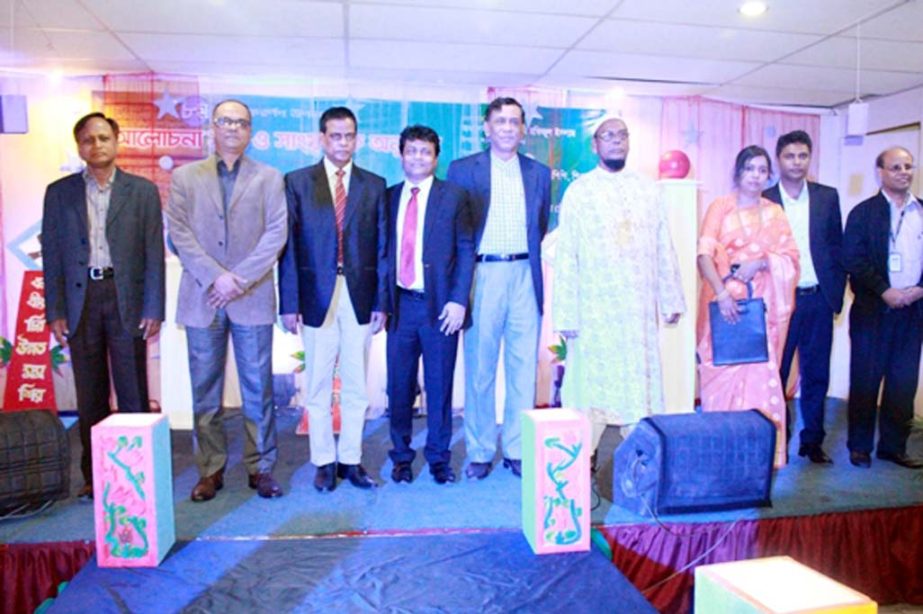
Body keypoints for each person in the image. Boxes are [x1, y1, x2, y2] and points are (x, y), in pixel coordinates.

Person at [167, 99, 287, 501]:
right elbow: (179, 234)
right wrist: (217, 277)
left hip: (251, 297)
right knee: (205, 390)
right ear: (212, 127)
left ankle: (262, 467)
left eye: (241, 122)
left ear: (250, 131)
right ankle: (210, 469)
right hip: (203, 297)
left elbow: (276, 234)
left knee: (258, 388)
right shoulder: (185, 177)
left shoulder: (270, 178)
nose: (233, 128)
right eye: (225, 121)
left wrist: (238, 279)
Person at [42, 112, 165, 500]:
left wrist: (153, 307)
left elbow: (153, 254)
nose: (96, 146)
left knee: (133, 392)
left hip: (125, 298)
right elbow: (53, 256)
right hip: (81, 302)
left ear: (117, 140)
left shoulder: (142, 191)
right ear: (79, 147)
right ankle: (95, 476)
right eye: (88, 140)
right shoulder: (58, 193)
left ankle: (139, 472)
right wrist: (55, 310)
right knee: (90, 393)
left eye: (103, 138)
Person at [554, 116, 685, 465]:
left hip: (636, 313)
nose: (616, 141)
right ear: (595, 145)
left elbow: (663, 244)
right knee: (589, 389)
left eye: (622, 135)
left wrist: (670, 297)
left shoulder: (647, 189)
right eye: (608, 136)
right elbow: (567, 255)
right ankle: (583, 460)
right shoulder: (579, 192)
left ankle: (640, 460)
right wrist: (565, 314)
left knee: (638, 388)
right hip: (594, 313)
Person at [278, 106, 387, 492]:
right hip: (315, 297)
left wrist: (381, 301)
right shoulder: (297, 182)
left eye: (350, 135)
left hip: (359, 296)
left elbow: (382, 250)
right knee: (319, 384)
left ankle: (351, 460)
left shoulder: (374, 184)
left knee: (358, 385)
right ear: (322, 139)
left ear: (357, 138)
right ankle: (324, 460)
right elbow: (288, 247)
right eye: (336, 136)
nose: (343, 142)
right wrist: (288, 302)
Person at [447, 97, 551, 480]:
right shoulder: (462, 170)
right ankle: (479, 449)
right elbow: (456, 229)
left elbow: (538, 226)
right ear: (486, 128)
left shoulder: (539, 173)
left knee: (523, 368)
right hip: (482, 274)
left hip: (525, 272)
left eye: (514, 122)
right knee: (480, 369)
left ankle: (518, 448)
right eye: (500, 121)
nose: (508, 128)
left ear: (523, 129)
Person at [696, 145, 800, 468]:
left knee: (762, 378)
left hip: (762, 309)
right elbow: (703, 254)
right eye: (750, 168)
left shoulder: (775, 212)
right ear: (738, 172)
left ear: (768, 176)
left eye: (762, 170)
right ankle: (720, 451)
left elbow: (791, 258)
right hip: (724, 306)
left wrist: (762, 262)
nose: (756, 176)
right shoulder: (720, 207)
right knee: (721, 371)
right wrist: (722, 293)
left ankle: (759, 456)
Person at [384, 125, 475, 485]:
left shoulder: (454, 196)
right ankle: (402, 457)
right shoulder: (389, 197)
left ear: (436, 158)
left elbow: (466, 249)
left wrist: (458, 300)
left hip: (440, 308)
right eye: (412, 151)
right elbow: (381, 254)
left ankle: (439, 458)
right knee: (399, 386)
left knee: (439, 386)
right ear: (401, 155)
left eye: (425, 151)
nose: (418, 157)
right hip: (400, 307)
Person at [762, 130, 845, 465]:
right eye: (789, 156)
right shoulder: (765, 198)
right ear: (779, 159)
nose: (797, 163)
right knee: (776, 373)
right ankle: (777, 438)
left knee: (816, 373)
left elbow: (836, 245)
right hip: (779, 301)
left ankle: (812, 441)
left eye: (802, 156)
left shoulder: (827, 196)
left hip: (816, 298)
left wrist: (833, 293)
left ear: (809, 159)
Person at [843, 147, 923, 469]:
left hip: (913, 312)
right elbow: (854, 260)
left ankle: (893, 447)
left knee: (903, 384)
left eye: (908, 166)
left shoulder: (921, 211)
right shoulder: (863, 213)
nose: (903, 172)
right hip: (872, 312)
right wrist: (884, 291)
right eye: (895, 167)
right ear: (880, 172)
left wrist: (919, 290)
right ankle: (860, 447)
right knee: (865, 381)